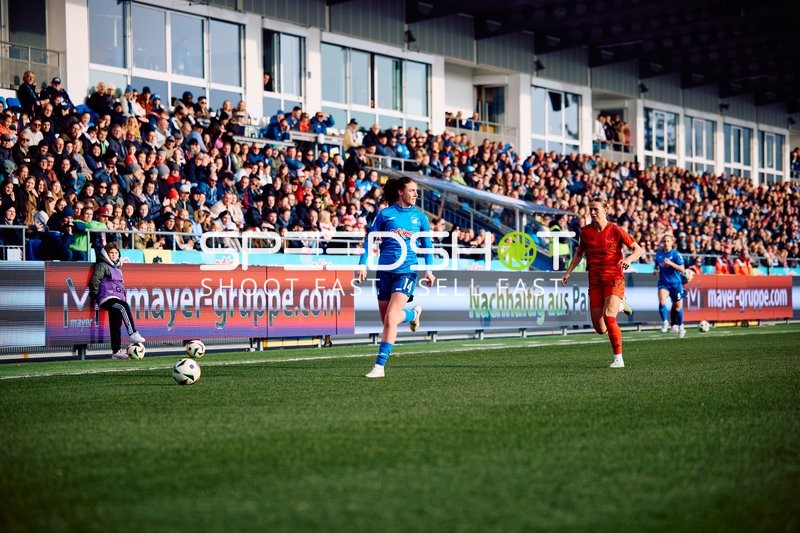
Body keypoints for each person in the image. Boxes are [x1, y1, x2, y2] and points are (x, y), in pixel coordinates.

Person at [356, 177, 436, 378]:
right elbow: (370, 240)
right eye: (412, 190)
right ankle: (412, 314)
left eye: (417, 191)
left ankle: (379, 366)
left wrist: (429, 269)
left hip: (407, 271)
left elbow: (427, 246)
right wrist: (363, 264)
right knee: (387, 321)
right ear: (401, 192)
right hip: (384, 270)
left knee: (391, 318)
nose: (416, 194)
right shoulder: (386, 214)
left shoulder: (420, 218)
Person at [560, 194, 644, 368]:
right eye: (590, 209)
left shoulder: (616, 230)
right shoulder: (586, 232)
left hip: (614, 278)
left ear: (606, 210)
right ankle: (621, 305)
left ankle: (618, 359)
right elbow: (579, 254)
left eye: (596, 209)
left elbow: (638, 249)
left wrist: (628, 260)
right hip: (595, 281)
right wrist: (568, 272)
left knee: (609, 317)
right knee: (600, 328)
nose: (592, 212)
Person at [89, 242, 146, 359]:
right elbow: (95, 281)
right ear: (106, 254)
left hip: (117, 297)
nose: (114, 255)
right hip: (106, 297)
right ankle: (133, 333)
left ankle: (116, 351)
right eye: (111, 253)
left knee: (116, 324)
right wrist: (95, 296)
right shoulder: (102, 265)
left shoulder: (118, 268)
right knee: (123, 306)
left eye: (116, 253)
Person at [653, 233, 687, 337]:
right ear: (662, 243)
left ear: (672, 243)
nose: (666, 243)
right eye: (664, 241)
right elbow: (656, 265)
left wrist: (671, 263)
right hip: (664, 283)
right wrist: (655, 270)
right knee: (662, 299)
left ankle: (681, 326)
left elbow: (682, 269)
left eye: (668, 241)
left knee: (677, 307)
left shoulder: (676, 254)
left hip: (676, 284)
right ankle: (665, 322)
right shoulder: (659, 254)